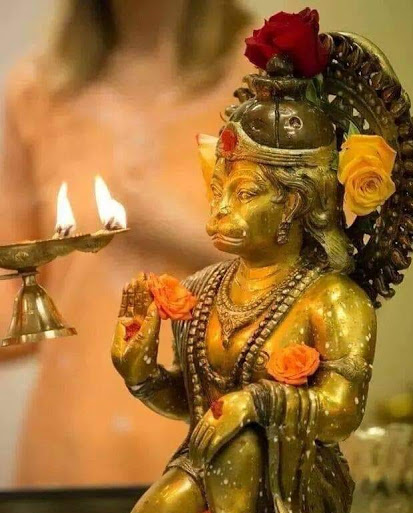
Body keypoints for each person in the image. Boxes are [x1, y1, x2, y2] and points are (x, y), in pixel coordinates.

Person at [0, 0, 252, 486]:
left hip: (226, 446)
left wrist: (182, 232)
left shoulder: (268, 75)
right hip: (72, 458)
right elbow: (14, 290)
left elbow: (316, 261)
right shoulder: (37, 89)